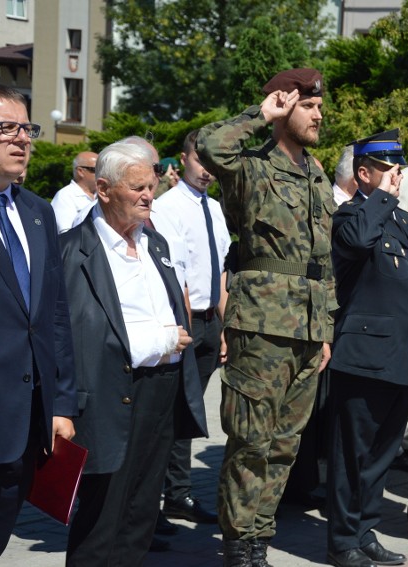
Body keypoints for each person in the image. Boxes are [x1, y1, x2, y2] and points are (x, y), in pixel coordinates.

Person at [197, 68, 335, 567]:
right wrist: (262, 115)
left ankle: (258, 539)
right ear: (284, 106)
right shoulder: (250, 168)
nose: (319, 115)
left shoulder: (317, 173)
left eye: (320, 107)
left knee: (284, 445)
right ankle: (236, 545)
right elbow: (210, 146)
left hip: (307, 328)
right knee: (251, 441)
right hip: (261, 325)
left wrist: (326, 328)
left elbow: (324, 261)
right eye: (309, 106)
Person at [60, 139, 208, 566]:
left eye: (152, 185)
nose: (149, 195)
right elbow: (74, 336)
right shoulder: (72, 251)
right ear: (103, 189)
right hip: (109, 394)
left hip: (160, 394)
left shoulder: (155, 244)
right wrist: (161, 340)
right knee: (101, 520)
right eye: (137, 187)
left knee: (141, 516)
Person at [327, 129, 408, 567]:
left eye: (398, 169)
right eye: (389, 170)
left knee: (382, 454)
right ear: (364, 174)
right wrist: (379, 197)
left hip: (404, 357)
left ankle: (364, 529)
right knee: (353, 454)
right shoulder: (351, 215)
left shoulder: (403, 220)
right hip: (365, 358)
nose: (397, 177)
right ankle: (341, 541)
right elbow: (356, 244)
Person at [0, 84, 77, 567]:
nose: (20, 139)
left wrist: (61, 402)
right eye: (4, 129)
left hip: (29, 420)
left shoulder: (38, 213)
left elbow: (54, 316)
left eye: (26, 128)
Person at [154, 129, 231, 524]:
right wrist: (187, 328)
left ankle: (177, 493)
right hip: (183, 321)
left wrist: (223, 325)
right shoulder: (168, 207)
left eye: (211, 163)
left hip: (209, 320)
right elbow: (176, 275)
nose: (207, 171)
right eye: (200, 161)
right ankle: (173, 494)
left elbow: (219, 271)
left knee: (193, 409)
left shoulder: (214, 209)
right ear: (183, 159)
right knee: (174, 410)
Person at [50, 151, 99, 233]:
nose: (101, 173)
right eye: (96, 170)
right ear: (80, 171)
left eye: (103, 169)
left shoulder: (104, 195)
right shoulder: (65, 196)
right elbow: (65, 234)